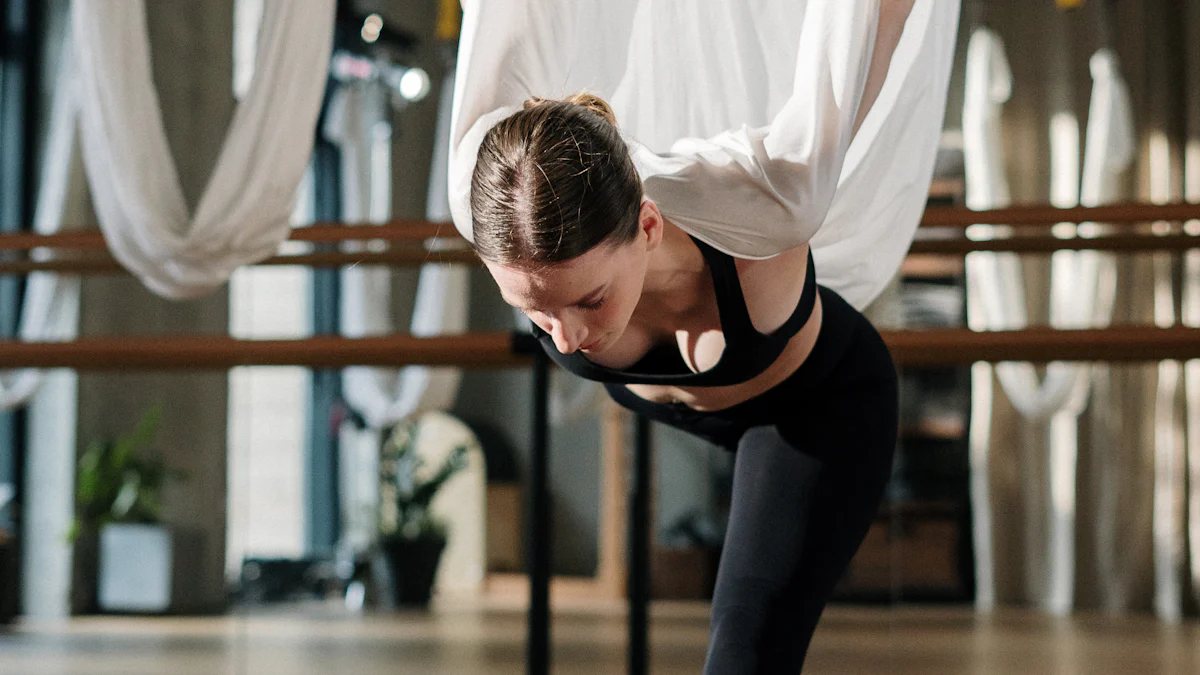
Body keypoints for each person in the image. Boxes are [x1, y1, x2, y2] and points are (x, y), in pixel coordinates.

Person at [451, 2, 959, 671]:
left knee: (745, 656)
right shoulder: (487, 194)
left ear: (651, 226)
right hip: (708, 402)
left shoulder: (772, 196)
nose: (567, 340)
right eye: (536, 311)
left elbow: (874, 19)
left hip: (815, 413)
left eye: (588, 299)